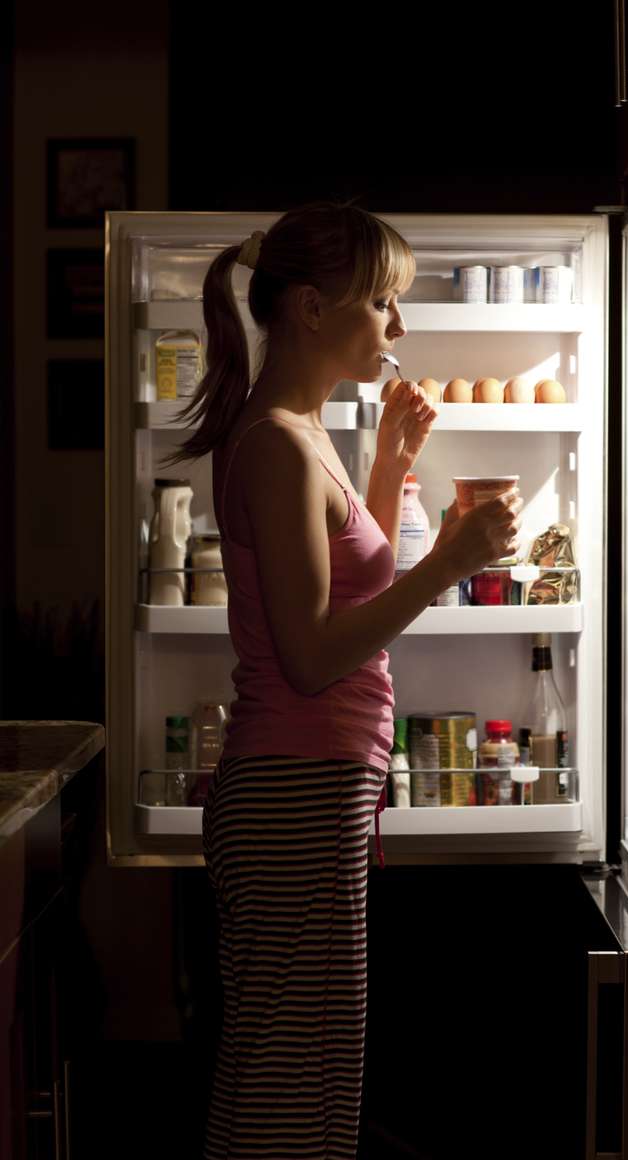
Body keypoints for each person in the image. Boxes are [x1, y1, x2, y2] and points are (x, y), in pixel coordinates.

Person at [160, 200, 523, 1159]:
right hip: (291, 785)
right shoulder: (277, 443)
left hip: (315, 788)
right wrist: (445, 563)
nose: (398, 329)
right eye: (384, 305)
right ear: (314, 309)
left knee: (306, 1071)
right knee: (287, 1085)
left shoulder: (304, 432)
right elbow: (312, 657)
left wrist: (393, 468)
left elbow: (334, 574)